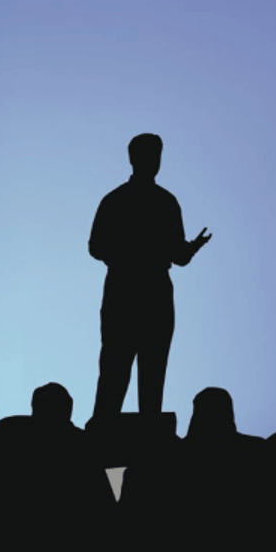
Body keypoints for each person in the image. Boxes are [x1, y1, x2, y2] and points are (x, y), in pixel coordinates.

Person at [88, 134, 211, 423]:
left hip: (153, 291)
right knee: (115, 365)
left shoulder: (165, 202)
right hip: (125, 289)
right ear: (133, 158)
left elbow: (178, 256)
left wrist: (192, 246)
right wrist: (135, 252)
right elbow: (96, 247)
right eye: (147, 155)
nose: (153, 162)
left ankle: (147, 429)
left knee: (153, 366)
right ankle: (105, 427)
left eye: (156, 156)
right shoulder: (119, 200)